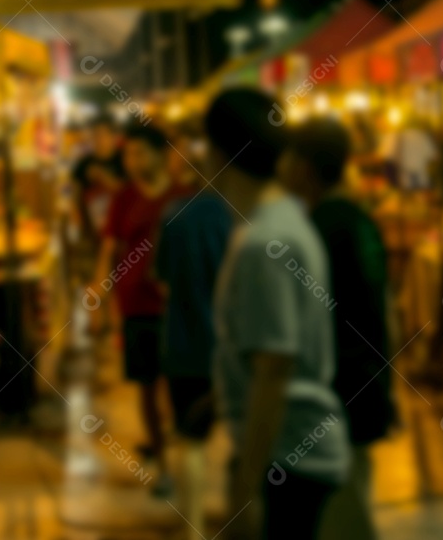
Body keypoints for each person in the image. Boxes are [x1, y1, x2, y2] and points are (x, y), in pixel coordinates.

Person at [204, 88, 349, 540]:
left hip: (286, 459)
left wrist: (244, 495)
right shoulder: (285, 221)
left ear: (216, 155)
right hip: (289, 453)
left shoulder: (265, 243)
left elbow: (275, 367)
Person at [278, 118, 394, 540]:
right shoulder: (359, 222)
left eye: (287, 159)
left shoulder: (321, 231)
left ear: (303, 168)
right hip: (365, 389)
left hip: (340, 398)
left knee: (344, 521)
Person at [90, 124, 178, 495]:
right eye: (128, 154)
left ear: (162, 154)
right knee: (145, 387)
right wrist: (100, 292)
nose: (132, 161)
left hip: (176, 308)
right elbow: (110, 247)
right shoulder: (124, 198)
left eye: (140, 153)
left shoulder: (182, 196)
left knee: (174, 387)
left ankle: (169, 440)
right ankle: (163, 464)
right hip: (135, 304)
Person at [155, 127, 231, 540]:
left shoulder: (173, 215)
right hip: (230, 347)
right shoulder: (235, 216)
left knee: (190, 438)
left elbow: (162, 278)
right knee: (240, 438)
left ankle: (195, 528)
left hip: (183, 345)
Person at [71, 115, 125, 245]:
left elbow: (129, 192)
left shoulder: (124, 160)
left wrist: (103, 177)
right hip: (94, 230)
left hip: (123, 228)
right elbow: (75, 195)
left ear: (113, 136)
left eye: (103, 135)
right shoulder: (83, 164)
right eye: (95, 135)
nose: (98, 140)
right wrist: (79, 223)